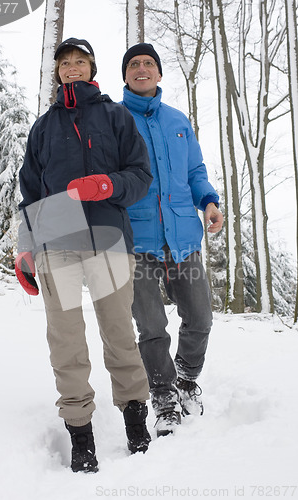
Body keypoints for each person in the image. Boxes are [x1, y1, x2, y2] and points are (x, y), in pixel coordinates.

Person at [15, 38, 153, 473]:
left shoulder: (116, 117)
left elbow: (140, 176)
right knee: (66, 341)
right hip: (58, 243)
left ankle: (135, 420)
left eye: (80, 61)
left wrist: (108, 185)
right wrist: (26, 246)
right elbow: (31, 193)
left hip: (110, 238)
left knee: (119, 334)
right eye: (65, 63)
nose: (72, 68)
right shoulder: (43, 128)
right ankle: (80, 434)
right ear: (57, 72)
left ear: (92, 68)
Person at [121, 43, 224, 437]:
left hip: (183, 236)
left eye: (149, 63)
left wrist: (209, 202)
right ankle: (163, 394)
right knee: (151, 326)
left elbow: (195, 170)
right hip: (137, 239)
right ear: (126, 75)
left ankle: (185, 377)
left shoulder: (179, 121)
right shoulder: (115, 120)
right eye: (134, 64)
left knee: (200, 317)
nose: (142, 68)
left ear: (159, 74)